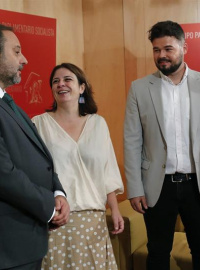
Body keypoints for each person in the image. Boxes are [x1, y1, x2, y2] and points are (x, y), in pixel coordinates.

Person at [124, 20, 200, 270]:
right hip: (157, 184)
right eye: (156, 49)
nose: (161, 55)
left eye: (168, 48)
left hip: (199, 184)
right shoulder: (139, 89)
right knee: (158, 252)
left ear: (184, 47)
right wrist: (135, 188)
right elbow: (131, 141)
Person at [32, 63, 124, 270]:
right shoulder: (38, 124)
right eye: (55, 81)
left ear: (82, 87)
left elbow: (107, 171)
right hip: (56, 220)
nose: (61, 84)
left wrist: (115, 209)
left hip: (93, 220)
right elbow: (33, 172)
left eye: (67, 80)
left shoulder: (98, 123)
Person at [0, 25, 69, 270]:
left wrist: (58, 192)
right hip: (9, 246)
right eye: (16, 52)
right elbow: (4, 175)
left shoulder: (9, 104)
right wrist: (48, 206)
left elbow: (40, 159)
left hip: (26, 241)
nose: (24, 59)